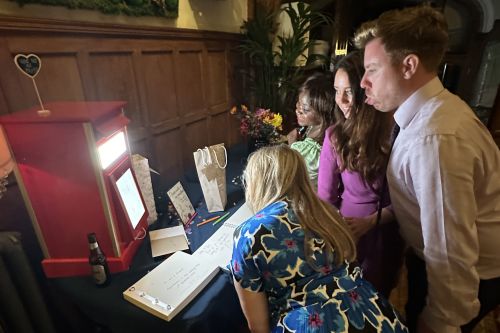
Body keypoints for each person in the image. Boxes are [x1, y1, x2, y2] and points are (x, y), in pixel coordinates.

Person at [354, 5, 500, 333]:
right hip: (444, 264)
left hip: (468, 277)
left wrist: (441, 322)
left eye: (372, 70)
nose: (363, 82)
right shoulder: (434, 112)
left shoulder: (434, 138)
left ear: (408, 66)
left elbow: (452, 251)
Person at [230, 145, 408, 333]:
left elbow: (258, 326)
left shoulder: (250, 233)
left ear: (257, 183)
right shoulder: (328, 214)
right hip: (373, 316)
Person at [317, 50, 404, 298]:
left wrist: (370, 221)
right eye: (336, 90)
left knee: (374, 294)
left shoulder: (396, 130)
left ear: (366, 90)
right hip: (349, 230)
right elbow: (326, 196)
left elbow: (412, 197)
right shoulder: (335, 135)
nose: (340, 100)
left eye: (348, 91)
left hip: (387, 230)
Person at [287, 72, 336, 190]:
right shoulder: (317, 128)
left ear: (323, 113)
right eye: (298, 103)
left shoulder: (308, 152)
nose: (298, 110)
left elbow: (289, 178)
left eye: (305, 109)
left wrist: (291, 145)